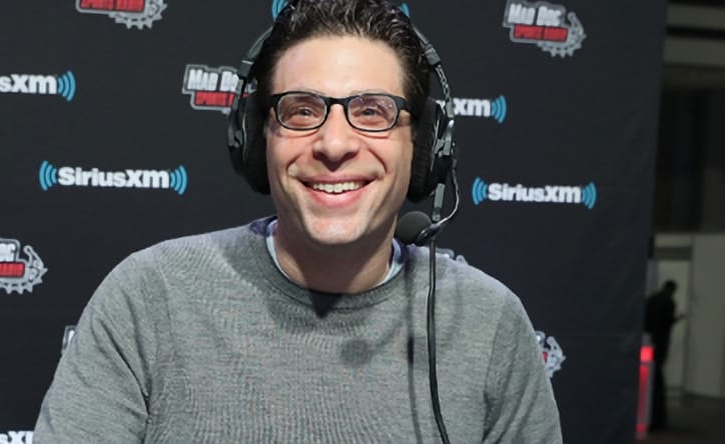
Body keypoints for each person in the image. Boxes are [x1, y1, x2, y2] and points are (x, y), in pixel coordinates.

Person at [33, 1, 562, 442]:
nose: (334, 144)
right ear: (255, 139)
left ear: (424, 147)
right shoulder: (150, 298)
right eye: (302, 111)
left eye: (372, 111)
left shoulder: (488, 323)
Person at [644, 279, 682, 431]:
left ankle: (649, 416)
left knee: (649, 380)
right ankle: (656, 418)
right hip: (659, 345)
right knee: (657, 380)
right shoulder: (669, 303)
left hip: (647, 343)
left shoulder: (652, 299)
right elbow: (667, 322)